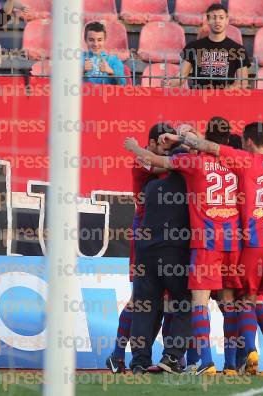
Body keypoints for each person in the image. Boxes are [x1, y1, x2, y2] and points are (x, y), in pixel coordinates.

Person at [158, 122, 263, 377]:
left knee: (246, 302)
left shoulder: (245, 159)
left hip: (251, 242)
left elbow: (206, 147)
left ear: (248, 142)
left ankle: (245, 350)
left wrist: (178, 137)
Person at [124, 122, 243, 376]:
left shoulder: (153, 179)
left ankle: (138, 361)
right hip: (178, 250)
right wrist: (186, 139)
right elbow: (200, 150)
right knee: (186, 303)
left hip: (146, 248)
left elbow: (152, 161)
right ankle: (173, 357)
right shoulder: (194, 173)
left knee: (145, 305)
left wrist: (134, 147)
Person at [105, 124, 175, 373]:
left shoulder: (159, 157)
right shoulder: (142, 161)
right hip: (144, 233)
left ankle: (169, 359)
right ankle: (117, 354)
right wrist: (134, 148)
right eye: (166, 144)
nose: (169, 150)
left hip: (165, 237)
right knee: (141, 300)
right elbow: (162, 165)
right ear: (153, 143)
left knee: (165, 299)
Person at [168, 3, 250, 89]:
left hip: (225, 98)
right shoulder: (193, 47)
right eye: (213, 18)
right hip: (199, 96)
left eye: (221, 18)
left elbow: (243, 83)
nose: (217, 21)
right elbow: (181, 77)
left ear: (227, 20)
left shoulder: (238, 49)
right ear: (207, 21)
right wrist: (168, 83)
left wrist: (227, 91)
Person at [82, 21, 127, 86]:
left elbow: (123, 85)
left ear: (104, 40)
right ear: (85, 40)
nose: (95, 44)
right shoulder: (78, 59)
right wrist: (82, 71)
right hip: (83, 95)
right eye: (91, 40)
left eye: (99, 40)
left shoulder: (114, 60)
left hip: (107, 95)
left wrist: (111, 72)